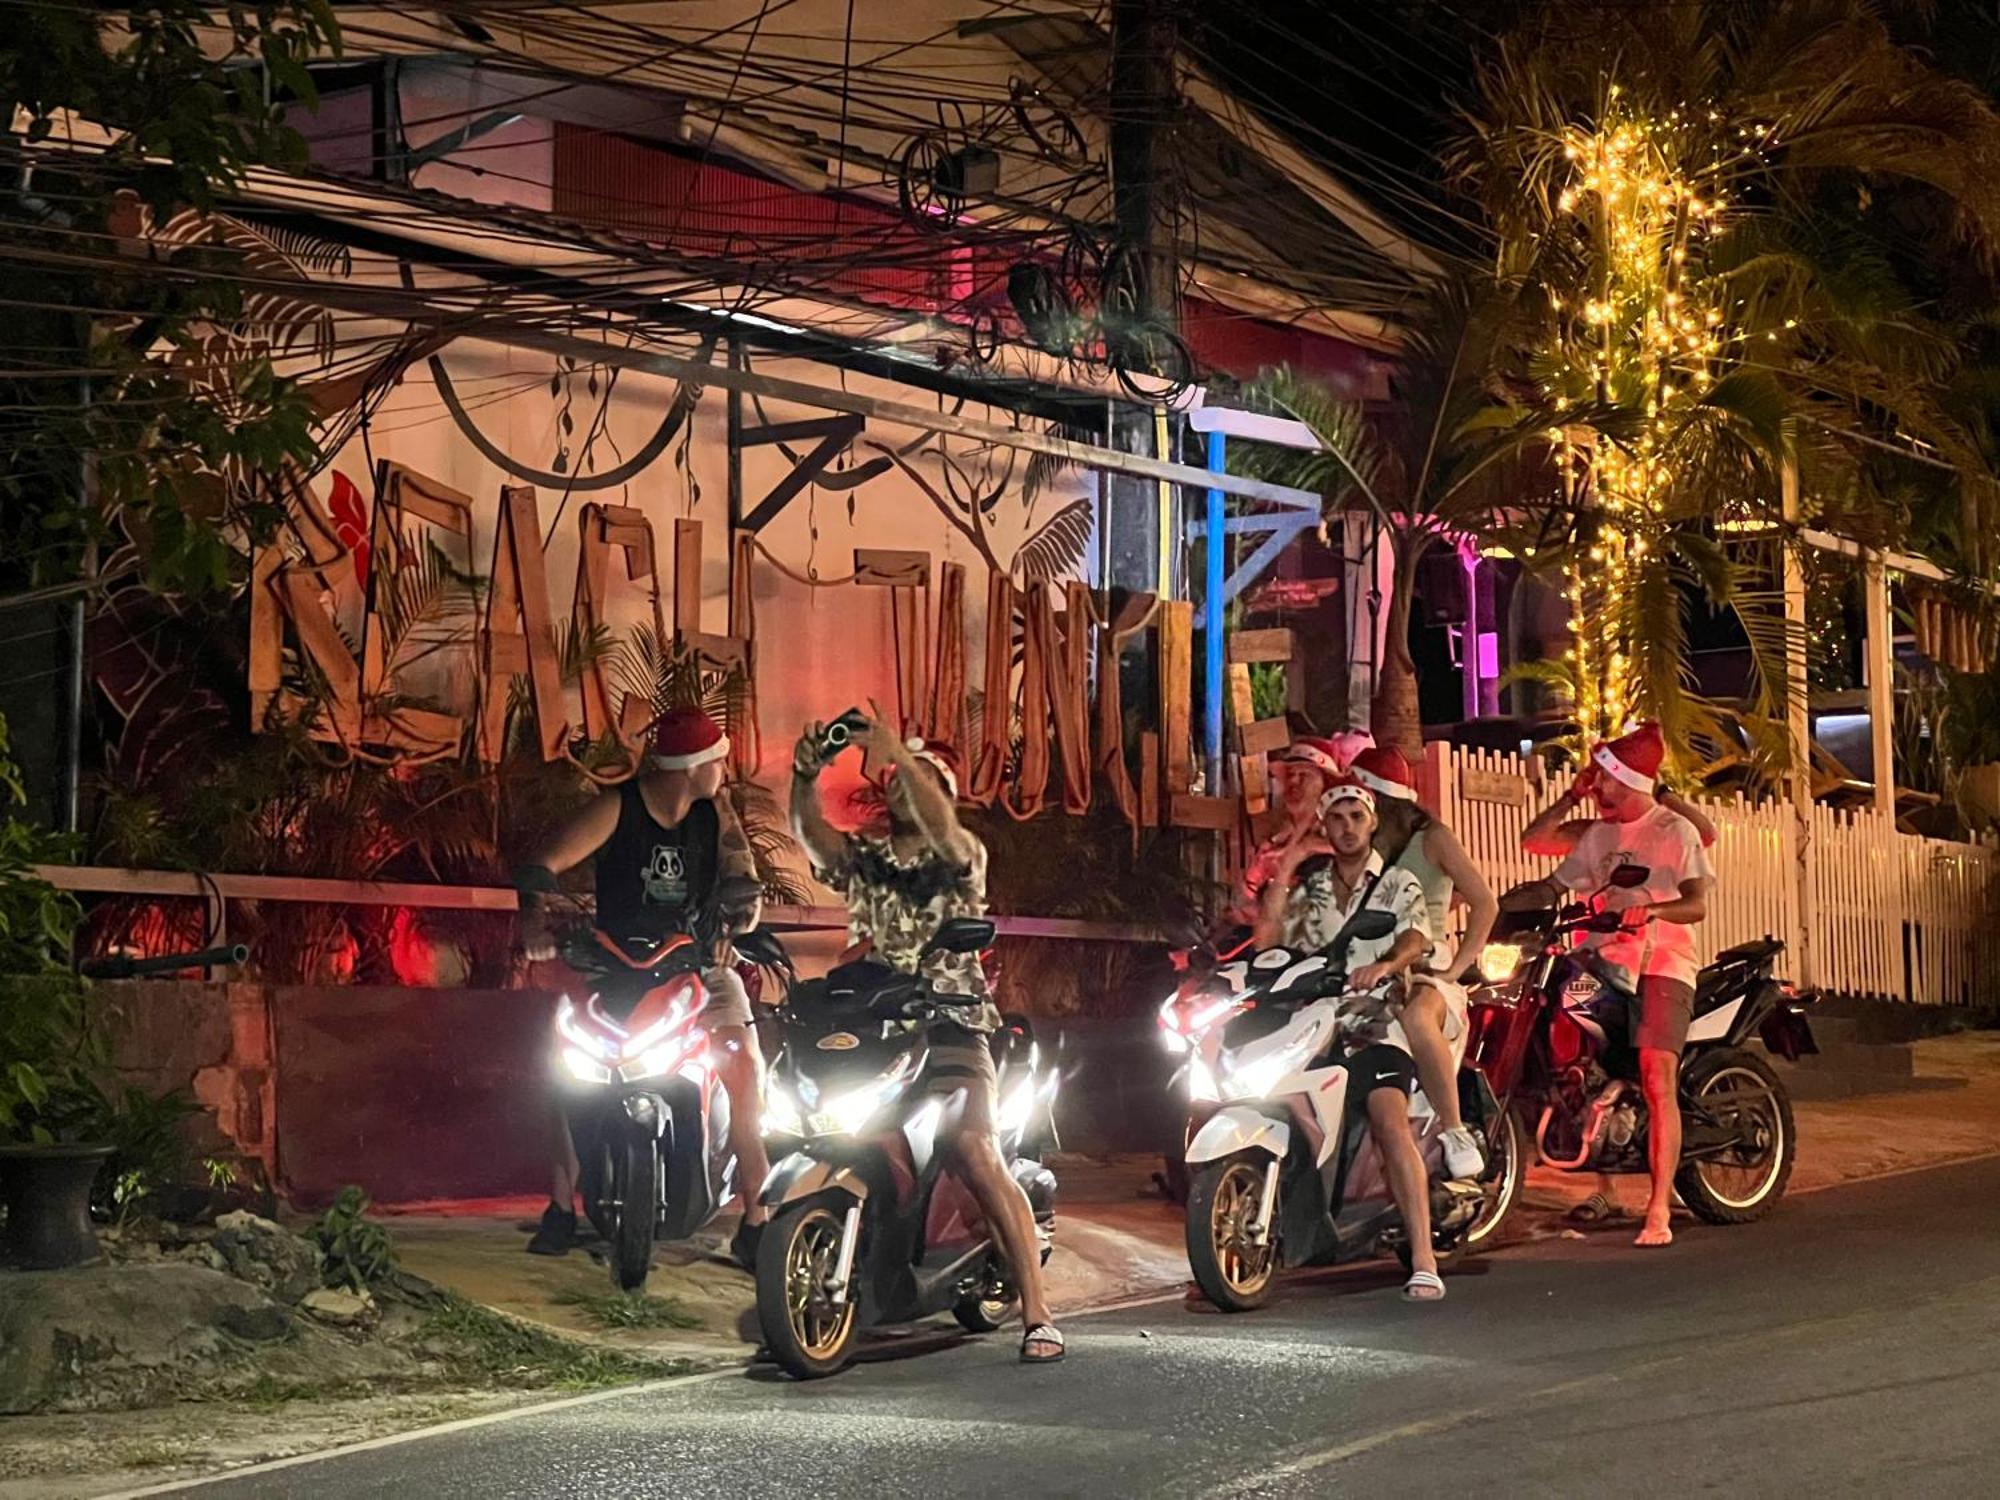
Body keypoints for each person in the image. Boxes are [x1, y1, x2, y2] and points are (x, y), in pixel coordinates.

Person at [790, 704, 1065, 1363]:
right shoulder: (870, 859)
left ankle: (1037, 1311)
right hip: (875, 1026)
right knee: (812, 1123)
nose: (901, 791)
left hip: (953, 1024)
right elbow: (811, 840)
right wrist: (806, 774)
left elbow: (941, 827)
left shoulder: (960, 854)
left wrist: (892, 749)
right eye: (894, 781)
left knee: (975, 1149)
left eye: (917, 782)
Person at [514, 707, 771, 1266]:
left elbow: (744, 885)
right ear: (693, 766)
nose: (724, 769)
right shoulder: (618, 807)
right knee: (565, 1070)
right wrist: (534, 919)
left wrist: (730, 929)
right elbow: (543, 864)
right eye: (718, 760)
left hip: (698, 965)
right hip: (616, 967)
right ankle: (561, 1208)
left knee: (743, 1064)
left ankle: (758, 1218)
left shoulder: (714, 812)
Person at [1510, 722, 1715, 1247]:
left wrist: (1648, 909)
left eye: (1603, 778)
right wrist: (1503, 908)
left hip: (1661, 964)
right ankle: (1604, 1180)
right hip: (1599, 960)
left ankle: (1658, 1209)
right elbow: (1538, 850)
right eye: (1594, 778)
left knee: (1654, 1074)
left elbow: (1697, 902)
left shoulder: (1673, 831)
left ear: (1629, 781)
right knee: (1578, 1059)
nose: (1595, 786)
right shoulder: (1596, 834)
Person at [1254, 779, 1448, 1302]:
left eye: (1356, 818)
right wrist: (1288, 863)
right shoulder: (1311, 890)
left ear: (1372, 824)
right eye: (1336, 819)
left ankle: (1425, 1259)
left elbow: (1416, 935)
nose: (1346, 828)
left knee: (1388, 1118)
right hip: (1314, 1021)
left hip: (1374, 1020)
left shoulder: (1396, 881)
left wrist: (1386, 964)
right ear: (1325, 826)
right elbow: (1268, 944)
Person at [1348, 747, 1499, 1181]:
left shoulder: (1432, 838)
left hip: (1430, 969)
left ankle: (1454, 1131)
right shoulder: (1365, 845)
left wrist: (1454, 971)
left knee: (1418, 1015)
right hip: (1378, 968)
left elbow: (1484, 903)